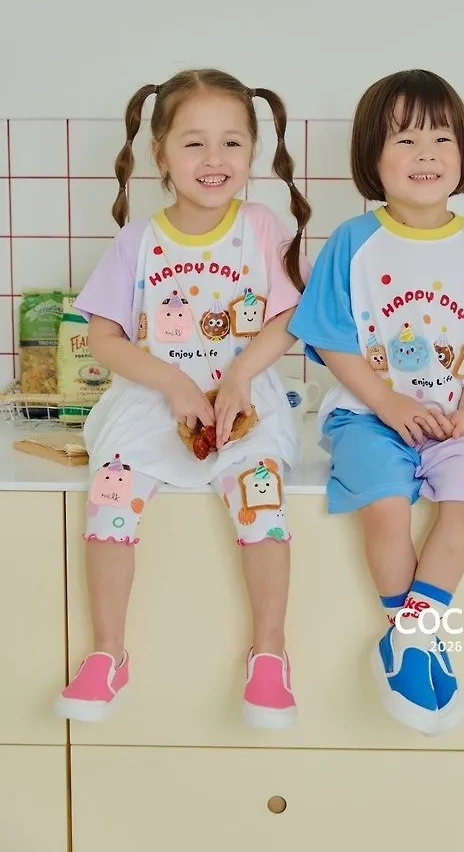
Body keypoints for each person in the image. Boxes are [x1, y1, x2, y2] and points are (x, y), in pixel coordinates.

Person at [54, 68, 311, 731]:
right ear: (161, 153)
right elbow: (103, 338)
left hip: (242, 403)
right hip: (152, 405)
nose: (214, 158)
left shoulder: (261, 228)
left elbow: (290, 317)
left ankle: (270, 654)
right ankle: (107, 655)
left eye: (232, 142)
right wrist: (172, 383)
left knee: (261, 502)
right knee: (110, 497)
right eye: (194, 142)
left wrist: (240, 375)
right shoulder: (137, 240)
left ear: (253, 151)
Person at [288, 69, 464, 735]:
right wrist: (389, 403)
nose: (426, 153)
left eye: (442, 137)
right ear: (371, 157)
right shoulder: (353, 241)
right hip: (367, 416)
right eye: (405, 139)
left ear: (463, 153)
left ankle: (411, 635)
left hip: (459, 421)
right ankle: (417, 638)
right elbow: (330, 339)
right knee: (384, 504)